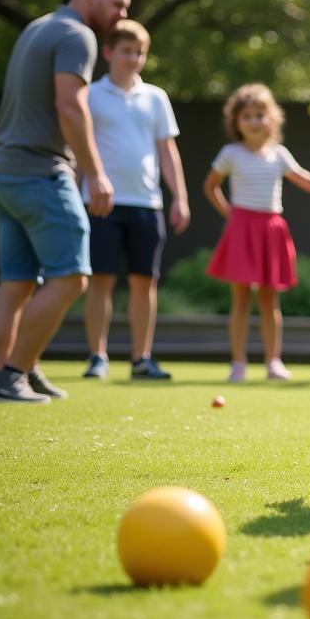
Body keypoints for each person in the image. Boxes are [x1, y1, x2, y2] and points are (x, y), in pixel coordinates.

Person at [0, 0, 129, 404]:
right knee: (71, 277)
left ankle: (11, 371)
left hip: (2, 171)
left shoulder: (37, 28)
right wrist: (96, 173)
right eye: (117, 2)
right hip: (38, 172)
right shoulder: (76, 36)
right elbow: (70, 105)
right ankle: (10, 374)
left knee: (18, 281)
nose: (122, 13)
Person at [80, 20, 189, 381]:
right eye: (126, 51)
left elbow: (167, 150)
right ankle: (97, 356)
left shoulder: (156, 97)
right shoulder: (90, 95)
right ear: (109, 52)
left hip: (147, 204)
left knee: (145, 281)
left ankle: (142, 358)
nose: (133, 58)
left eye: (139, 52)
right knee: (101, 279)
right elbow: (80, 147)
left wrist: (180, 198)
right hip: (100, 203)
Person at [203, 83, 310, 383]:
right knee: (241, 299)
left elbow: (307, 180)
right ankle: (238, 363)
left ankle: (274, 362)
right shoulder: (230, 153)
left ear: (271, 119)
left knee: (269, 301)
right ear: (236, 121)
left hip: (271, 229)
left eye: (260, 114)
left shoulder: (279, 154)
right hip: (241, 229)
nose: (254, 121)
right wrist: (230, 214)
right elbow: (210, 186)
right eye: (246, 115)